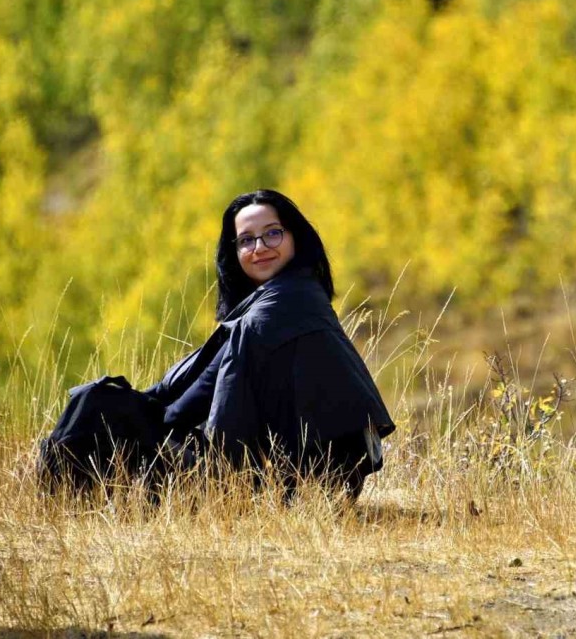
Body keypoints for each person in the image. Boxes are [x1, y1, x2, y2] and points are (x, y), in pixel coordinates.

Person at [145, 189, 395, 499]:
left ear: (295, 238)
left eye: (272, 234)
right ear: (233, 252)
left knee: (107, 420)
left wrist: (144, 417)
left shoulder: (280, 306)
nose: (259, 248)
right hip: (319, 480)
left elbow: (195, 398)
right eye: (246, 240)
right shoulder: (298, 293)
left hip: (296, 485)